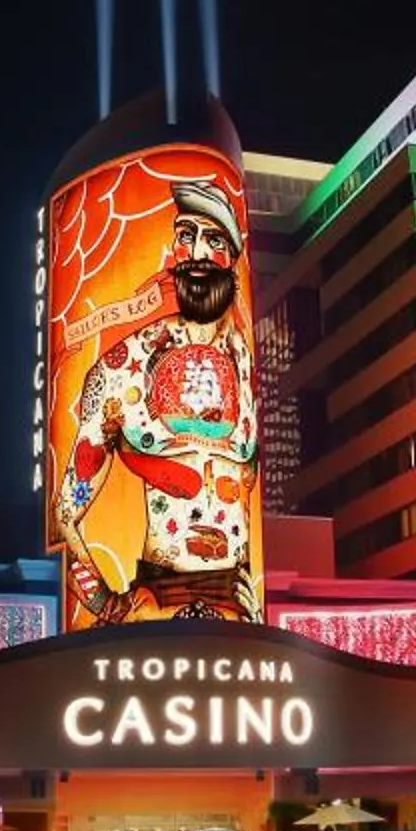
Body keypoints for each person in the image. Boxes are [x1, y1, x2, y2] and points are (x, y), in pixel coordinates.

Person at [55, 177, 263, 623]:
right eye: (187, 237)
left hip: (238, 601)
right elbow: (65, 514)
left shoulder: (245, 364)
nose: (199, 254)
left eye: (214, 240)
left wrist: (257, 612)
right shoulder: (126, 362)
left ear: (233, 259)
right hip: (158, 598)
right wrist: (107, 607)